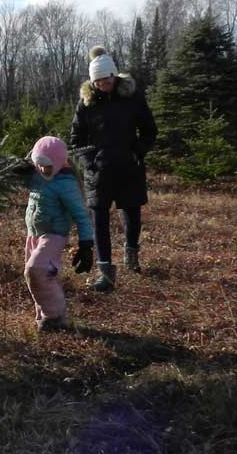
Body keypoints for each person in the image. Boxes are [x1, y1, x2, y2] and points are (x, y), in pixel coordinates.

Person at [70, 46, 158, 292]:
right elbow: (76, 139)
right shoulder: (86, 103)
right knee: (99, 221)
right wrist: (90, 163)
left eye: (105, 80)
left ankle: (131, 255)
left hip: (129, 168)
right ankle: (105, 272)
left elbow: (150, 131)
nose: (101, 85)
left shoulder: (132, 98)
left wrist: (136, 152)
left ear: (114, 76)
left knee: (132, 216)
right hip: (99, 173)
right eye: (97, 81)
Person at [13, 136, 95, 332]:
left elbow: (82, 216)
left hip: (54, 235)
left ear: (58, 162)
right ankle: (44, 315)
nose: (42, 169)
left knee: (36, 269)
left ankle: (55, 316)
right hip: (33, 235)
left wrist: (86, 246)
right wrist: (16, 168)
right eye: (38, 164)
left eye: (47, 165)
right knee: (37, 275)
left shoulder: (65, 184)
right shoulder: (36, 174)